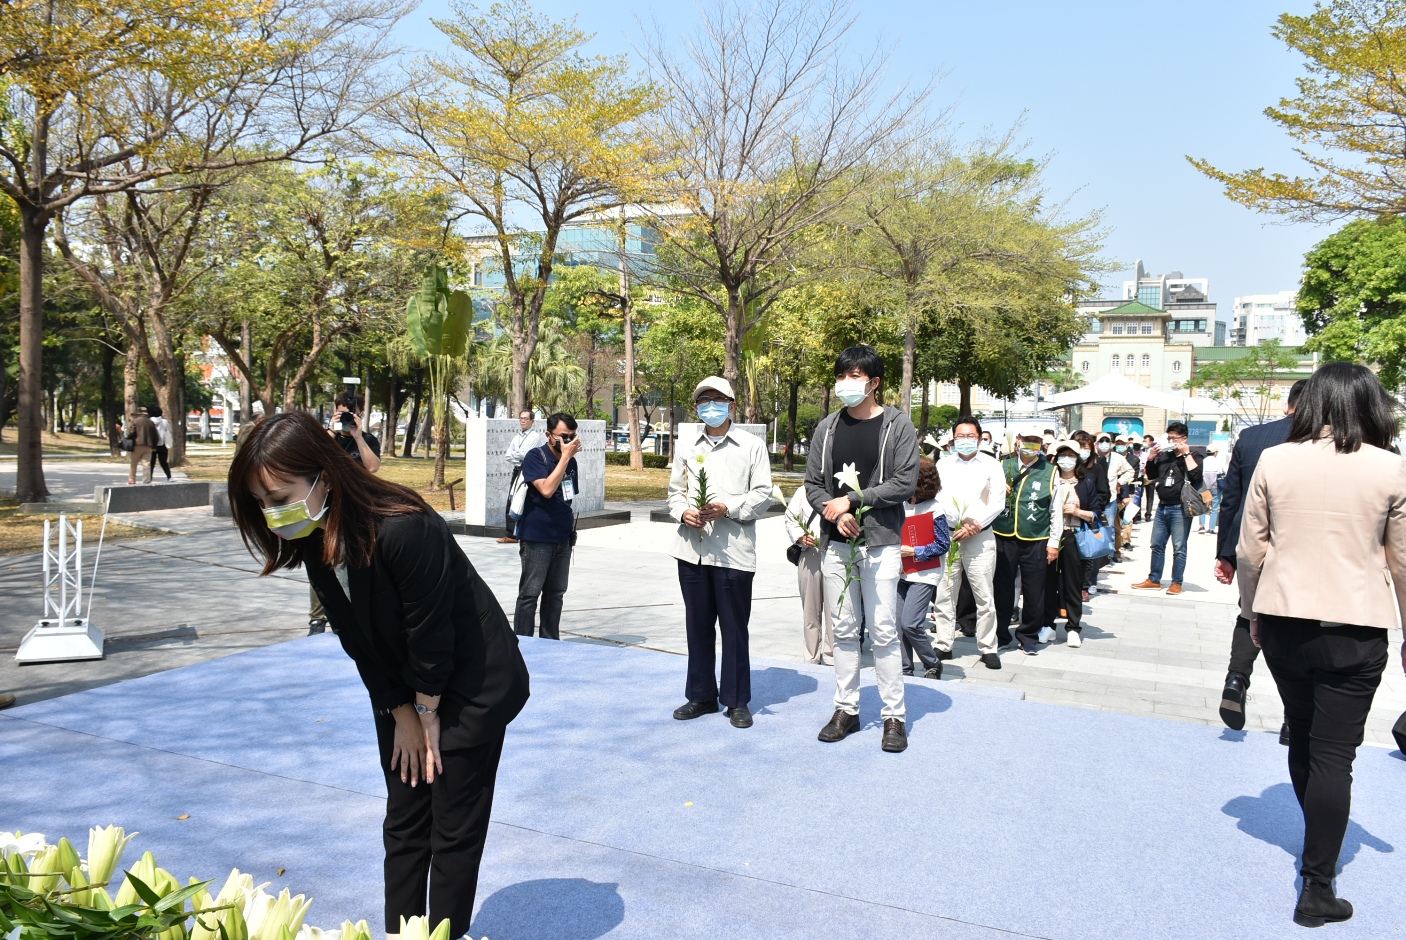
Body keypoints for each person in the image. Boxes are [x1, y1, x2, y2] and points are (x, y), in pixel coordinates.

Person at [227, 412, 529, 940]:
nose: (272, 513)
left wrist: (427, 714)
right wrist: (400, 713)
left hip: (468, 681)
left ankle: (443, 934)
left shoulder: (403, 523)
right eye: (261, 502)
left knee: (452, 825)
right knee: (406, 818)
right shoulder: (315, 533)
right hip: (402, 687)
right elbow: (354, 637)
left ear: (324, 474)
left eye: (279, 496)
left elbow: (431, 633)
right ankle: (402, 934)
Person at [1235, 363, 1406, 928]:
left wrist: (1251, 612)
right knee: (1337, 753)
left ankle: (1314, 858)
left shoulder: (1276, 459)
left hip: (1284, 619)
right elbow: (1403, 562)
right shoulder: (1391, 468)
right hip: (1355, 626)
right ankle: (1318, 882)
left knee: (1303, 735)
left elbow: (1250, 550)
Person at [805, 345, 920, 753]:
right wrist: (834, 514)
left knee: (885, 630)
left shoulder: (897, 425)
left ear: (874, 382)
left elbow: (905, 482)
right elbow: (813, 485)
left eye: (855, 376)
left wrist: (854, 501)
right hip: (837, 544)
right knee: (845, 629)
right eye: (841, 376)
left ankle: (894, 717)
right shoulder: (828, 428)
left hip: (881, 543)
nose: (846, 384)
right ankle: (846, 710)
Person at [668, 378, 773, 728]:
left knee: (733, 628)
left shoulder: (751, 446)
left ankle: (737, 700)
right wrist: (683, 511)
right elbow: (674, 492)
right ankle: (700, 696)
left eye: (717, 399)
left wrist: (727, 507)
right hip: (692, 550)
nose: (709, 406)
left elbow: (762, 494)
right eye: (703, 400)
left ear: (731, 403)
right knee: (697, 627)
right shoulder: (685, 444)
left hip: (733, 553)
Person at [1214, 379, 1307, 731]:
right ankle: (1293, 713)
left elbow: (1231, 501)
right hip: (1297, 546)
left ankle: (1236, 679)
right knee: (1299, 624)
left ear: (1288, 404)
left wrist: (1226, 554)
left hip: (1250, 542)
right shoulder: (1320, 442)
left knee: (1248, 610)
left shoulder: (1252, 438)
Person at [933, 416, 1007, 670]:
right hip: (949, 535)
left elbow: (997, 501)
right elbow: (936, 497)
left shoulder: (991, 465)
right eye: (960, 436)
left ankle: (988, 646)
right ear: (953, 438)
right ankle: (943, 643)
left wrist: (973, 524)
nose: (965, 440)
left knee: (984, 594)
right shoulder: (942, 464)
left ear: (979, 436)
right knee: (945, 590)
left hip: (980, 534)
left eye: (970, 436)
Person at [309, 394, 382, 636]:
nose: (347, 419)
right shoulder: (325, 439)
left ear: (360, 415)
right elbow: (313, 466)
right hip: (327, 507)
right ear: (334, 414)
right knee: (323, 562)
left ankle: (357, 612)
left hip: (358, 508)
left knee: (357, 559)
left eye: (352, 414)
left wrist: (359, 436)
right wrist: (330, 432)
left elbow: (372, 468)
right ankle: (317, 619)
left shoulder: (368, 439)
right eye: (342, 414)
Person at [513, 413, 581, 641]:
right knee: (530, 594)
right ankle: (522, 643)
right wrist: (564, 459)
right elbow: (546, 490)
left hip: (563, 537)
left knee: (556, 594)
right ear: (548, 435)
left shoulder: (571, 461)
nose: (567, 442)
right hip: (537, 537)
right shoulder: (535, 457)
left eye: (571, 437)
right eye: (562, 437)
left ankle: (550, 642)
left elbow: (567, 494)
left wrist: (567, 459)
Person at [992, 433, 1060, 655]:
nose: (1029, 448)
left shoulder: (1049, 471)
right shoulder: (1002, 465)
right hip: (1003, 535)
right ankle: (1001, 633)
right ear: (1017, 443)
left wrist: (1054, 543)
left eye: (1035, 444)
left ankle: (1028, 635)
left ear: (1041, 446)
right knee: (1002, 588)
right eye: (1025, 443)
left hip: (1036, 538)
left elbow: (1055, 509)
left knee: (1034, 590)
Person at [1130, 422, 1202, 595]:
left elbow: (1196, 476)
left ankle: (1177, 582)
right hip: (1163, 506)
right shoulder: (1165, 456)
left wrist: (1186, 454)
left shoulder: (1195, 455)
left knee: (1179, 547)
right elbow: (1152, 475)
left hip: (1180, 507)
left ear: (1184, 439)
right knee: (1157, 544)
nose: (1170, 441)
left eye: (1174, 438)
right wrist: (1151, 458)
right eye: (1169, 437)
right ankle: (1154, 579)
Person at [1044, 440, 1104, 647]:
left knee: (1072, 583)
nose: (1066, 460)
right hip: (1051, 536)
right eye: (1062, 455)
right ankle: (1048, 625)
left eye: (1071, 455)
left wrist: (1077, 512)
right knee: (1048, 582)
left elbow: (1096, 513)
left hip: (1074, 536)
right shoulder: (1050, 479)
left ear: (1077, 458)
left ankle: (1073, 626)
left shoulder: (1086, 481)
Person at [897, 458, 950, 678]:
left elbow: (943, 543)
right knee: (897, 627)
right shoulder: (899, 504)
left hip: (924, 574)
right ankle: (904, 670)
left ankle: (932, 663)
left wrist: (915, 552)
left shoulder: (935, 508)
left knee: (911, 624)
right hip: (899, 573)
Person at [783, 483, 832, 665]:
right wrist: (800, 536)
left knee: (835, 612)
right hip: (809, 554)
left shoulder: (840, 490)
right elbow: (790, 518)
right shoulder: (804, 490)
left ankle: (832, 656)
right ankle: (811, 657)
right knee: (811, 610)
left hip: (836, 553)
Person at [1072, 430, 1112, 599]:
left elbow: (1104, 492)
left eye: (1086, 448)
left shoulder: (1096, 468)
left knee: (1088, 553)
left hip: (1088, 516)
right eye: (1080, 448)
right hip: (1068, 517)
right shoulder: (1067, 468)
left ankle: (1085, 586)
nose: (1083, 452)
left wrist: (1093, 509)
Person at [499, 410, 544, 544]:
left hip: (527, 472)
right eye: (521, 418)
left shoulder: (534, 436)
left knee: (523, 500)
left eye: (525, 418)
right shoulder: (517, 436)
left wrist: (517, 454)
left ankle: (523, 532)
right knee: (512, 500)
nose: (523, 421)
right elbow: (508, 455)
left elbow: (526, 455)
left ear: (532, 421)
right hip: (517, 470)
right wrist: (518, 455)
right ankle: (510, 533)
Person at [126, 408, 159, 485]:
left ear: (138, 414)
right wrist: (154, 446)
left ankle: (132, 480)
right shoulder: (151, 423)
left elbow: (131, 433)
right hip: (148, 446)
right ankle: (146, 480)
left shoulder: (135, 421)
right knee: (146, 464)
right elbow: (155, 436)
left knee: (134, 464)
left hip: (137, 445)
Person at [1196, 444, 1224, 534]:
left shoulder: (1203, 461)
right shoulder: (1218, 461)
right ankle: (1211, 528)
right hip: (1216, 487)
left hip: (1204, 488)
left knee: (1203, 506)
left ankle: (1202, 526)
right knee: (1215, 508)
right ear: (1215, 452)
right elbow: (1224, 471)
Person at [148, 406, 174, 482]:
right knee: (164, 462)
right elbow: (169, 429)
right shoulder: (164, 421)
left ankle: (149, 478)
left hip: (152, 445)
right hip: (162, 445)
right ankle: (169, 477)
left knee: (151, 463)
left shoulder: (149, 421)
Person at [1139, 433, 1158, 522]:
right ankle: (1138, 513)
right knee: (1139, 495)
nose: (1144, 443)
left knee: (1150, 496)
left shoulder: (1155, 451)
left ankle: (1148, 514)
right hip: (1142, 476)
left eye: (1146, 441)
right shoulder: (1140, 450)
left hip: (1150, 477)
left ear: (1151, 442)